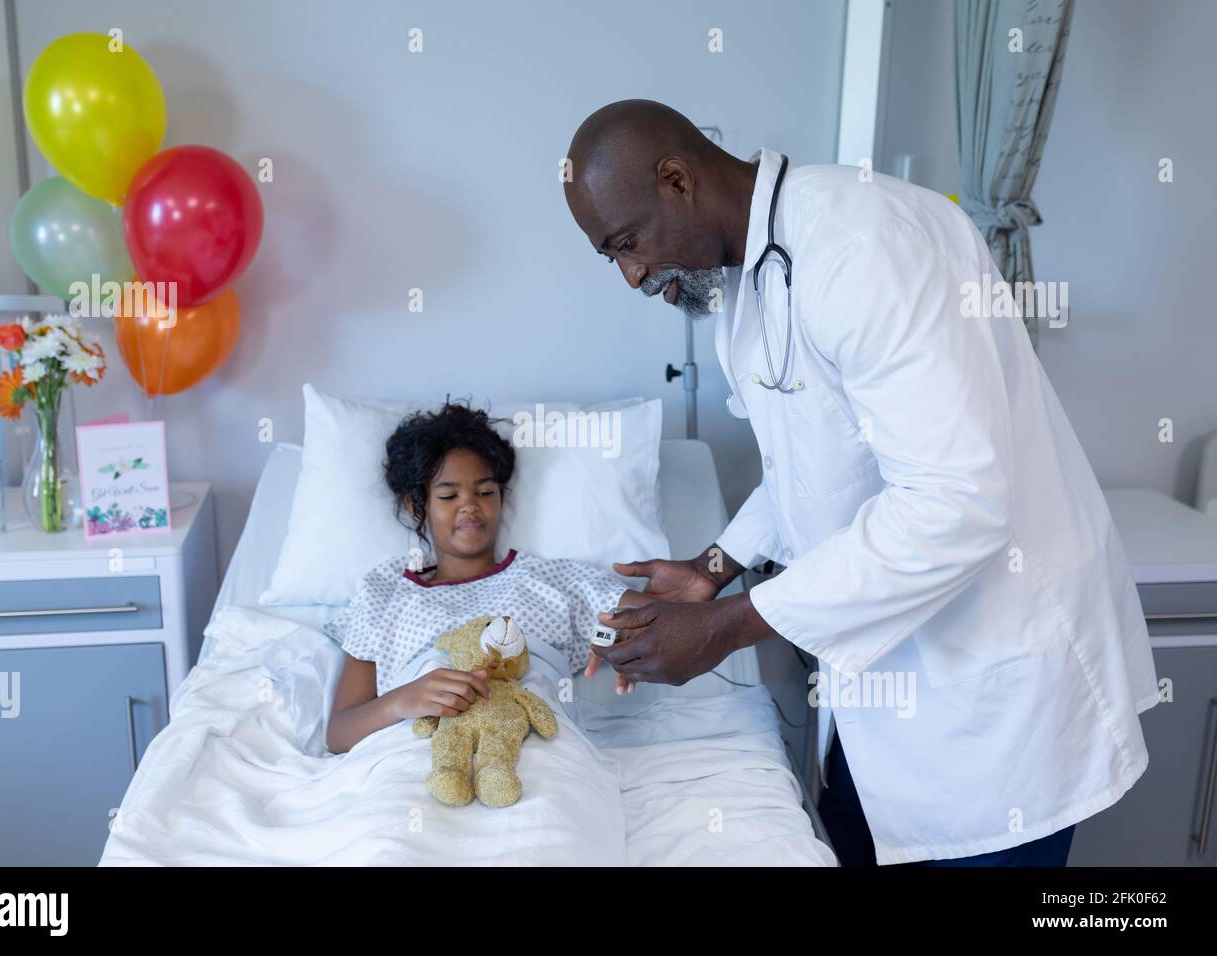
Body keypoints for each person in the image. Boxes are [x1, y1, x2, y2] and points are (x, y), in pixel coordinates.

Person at [562, 99, 1158, 866]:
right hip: (892, 689)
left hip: (996, 693)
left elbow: (955, 503)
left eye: (627, 242)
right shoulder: (745, 280)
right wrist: (712, 571)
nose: (632, 273)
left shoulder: (862, 246)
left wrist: (729, 626)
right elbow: (810, 466)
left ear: (677, 179)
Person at [324, 401, 647, 755]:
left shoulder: (549, 578)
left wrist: (638, 636)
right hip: (414, 754)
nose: (470, 506)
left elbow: (659, 617)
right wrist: (401, 701)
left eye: (484, 492)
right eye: (448, 495)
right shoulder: (386, 590)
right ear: (417, 507)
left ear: (501, 497)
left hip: (535, 746)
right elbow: (339, 734)